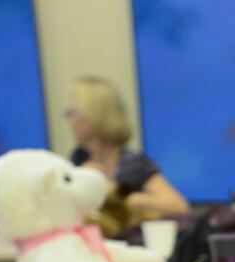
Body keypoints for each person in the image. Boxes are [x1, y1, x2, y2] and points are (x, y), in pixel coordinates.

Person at [65, 76, 189, 220]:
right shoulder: (76, 160)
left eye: (72, 113)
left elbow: (179, 205)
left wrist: (124, 198)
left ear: (93, 115)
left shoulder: (133, 164)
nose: (70, 121)